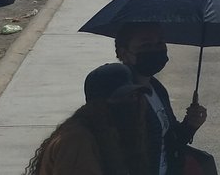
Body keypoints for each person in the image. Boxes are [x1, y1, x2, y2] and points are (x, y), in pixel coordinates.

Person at [24, 63, 153, 175]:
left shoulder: (111, 132)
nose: (132, 103)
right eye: (120, 98)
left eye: (134, 96)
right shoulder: (77, 141)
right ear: (97, 104)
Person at [115, 22, 207, 173]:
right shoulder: (120, 96)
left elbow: (171, 140)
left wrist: (190, 125)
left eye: (160, 42)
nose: (155, 50)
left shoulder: (157, 88)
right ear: (124, 53)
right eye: (145, 45)